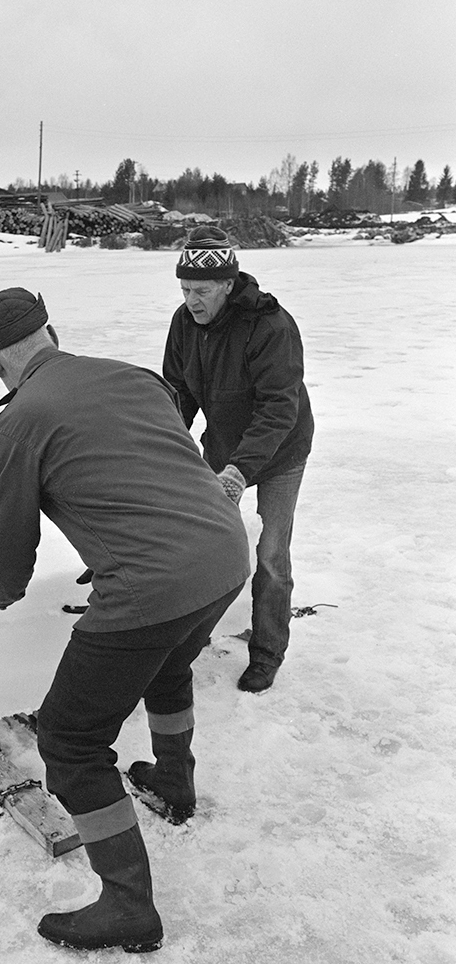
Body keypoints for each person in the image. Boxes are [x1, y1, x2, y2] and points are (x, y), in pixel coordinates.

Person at [0, 288, 250, 953]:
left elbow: (8, 561)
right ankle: (173, 782)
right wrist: (120, 546)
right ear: (51, 332)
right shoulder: (133, 378)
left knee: (70, 742)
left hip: (151, 586)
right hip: (224, 556)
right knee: (168, 665)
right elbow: (158, 471)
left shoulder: (18, 422)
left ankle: (128, 906)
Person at [163, 226, 314, 693]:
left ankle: (267, 652)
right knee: (205, 543)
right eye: (185, 289)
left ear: (228, 284)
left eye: (201, 290)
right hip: (224, 444)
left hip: (281, 450)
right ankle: (191, 639)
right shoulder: (184, 323)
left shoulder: (270, 326)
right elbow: (178, 392)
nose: (191, 300)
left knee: (270, 555)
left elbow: (279, 408)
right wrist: (163, 442)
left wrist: (240, 469)